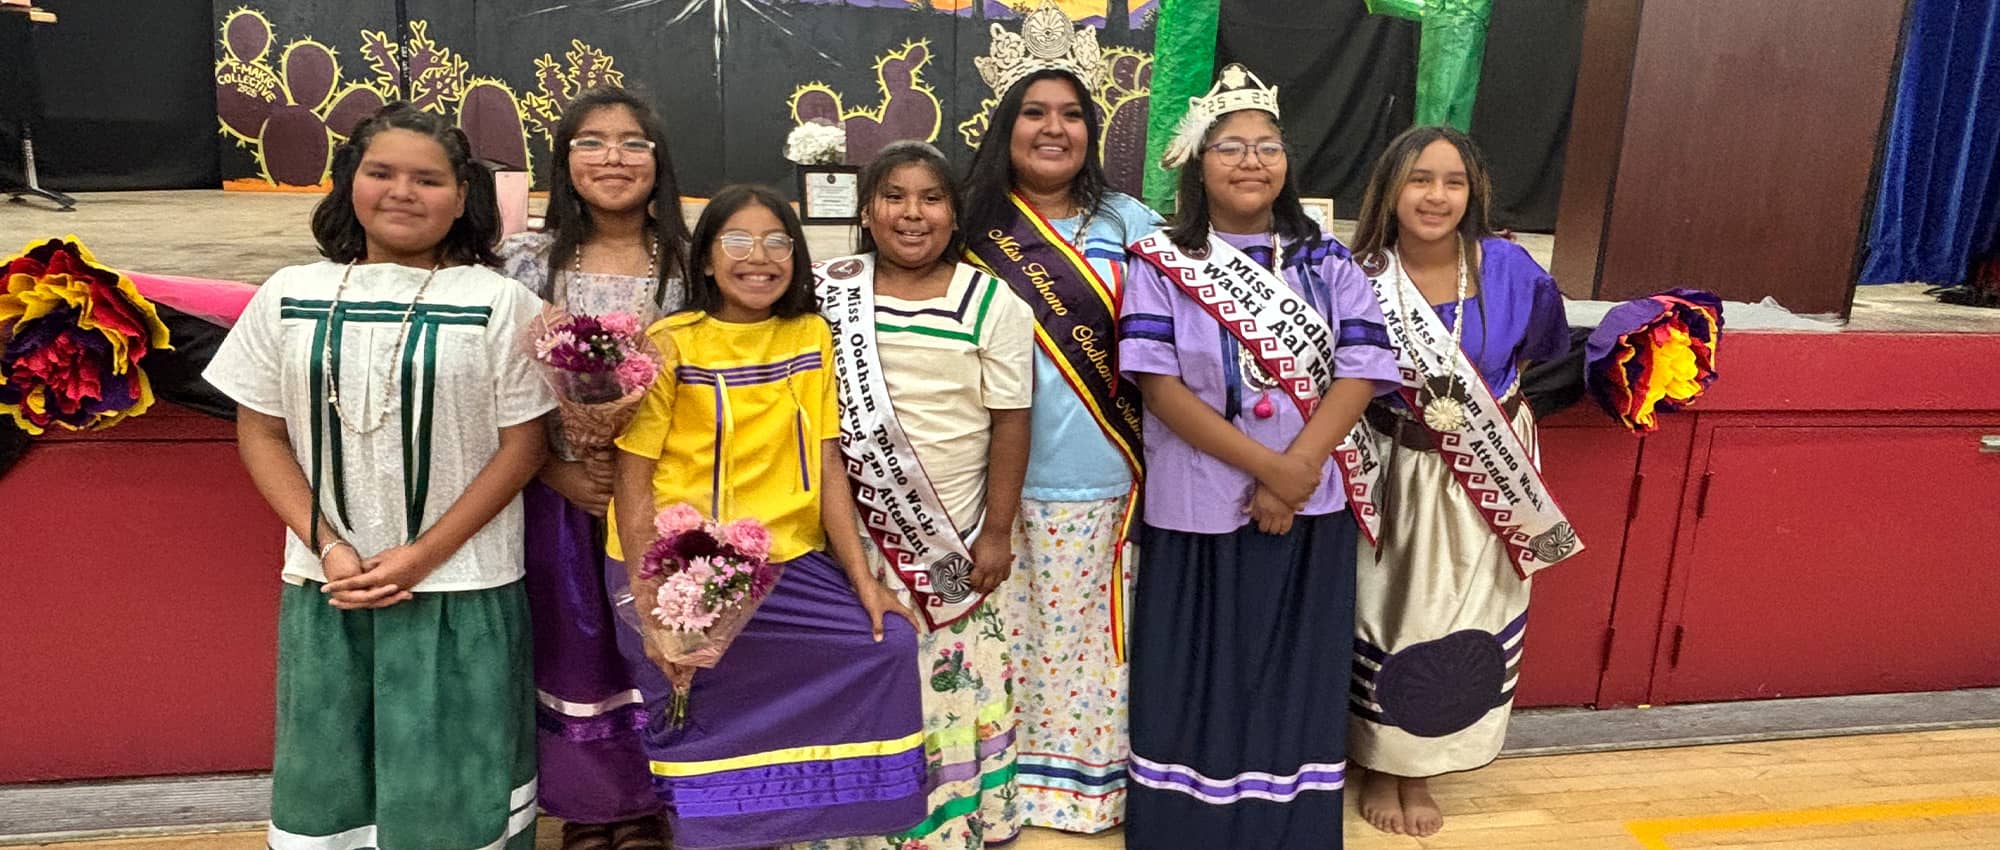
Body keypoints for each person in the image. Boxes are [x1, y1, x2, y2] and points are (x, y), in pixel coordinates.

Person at [203, 102, 551, 850]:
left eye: (428, 179)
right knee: (332, 795)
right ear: (347, 184)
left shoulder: (501, 303)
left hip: (464, 592)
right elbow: (260, 431)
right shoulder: (288, 293)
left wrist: (424, 556)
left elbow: (524, 447)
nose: (403, 192)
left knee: (455, 805)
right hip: (328, 589)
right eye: (382, 172)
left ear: (463, 198)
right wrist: (327, 544)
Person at [1116, 65, 1400, 850]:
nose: (1251, 160)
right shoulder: (1158, 262)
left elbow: (1363, 370)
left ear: (1287, 163)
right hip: (1198, 500)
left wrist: (1297, 469)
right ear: (1197, 165)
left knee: (1291, 667)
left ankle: (1286, 824)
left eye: (1267, 146)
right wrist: (1268, 468)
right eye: (1231, 146)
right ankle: (1185, 825)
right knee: (1198, 667)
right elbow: (1159, 385)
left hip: (1309, 503)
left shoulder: (1327, 263)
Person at [608, 184, 927, 850]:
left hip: (785, 560)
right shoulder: (670, 343)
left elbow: (828, 463)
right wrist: (649, 600)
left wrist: (864, 581)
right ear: (705, 260)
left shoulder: (810, 334)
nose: (761, 258)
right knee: (690, 701)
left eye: (778, 242)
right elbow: (634, 481)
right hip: (677, 566)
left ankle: (793, 827)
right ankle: (709, 833)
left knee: (887, 647)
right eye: (738, 243)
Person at [796, 140, 1036, 850]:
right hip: (841, 526)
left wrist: (994, 532)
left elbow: (1010, 422)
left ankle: (949, 821)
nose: (912, 213)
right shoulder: (824, 288)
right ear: (867, 211)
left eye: (931, 198)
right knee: (856, 676)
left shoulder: (991, 300)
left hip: (953, 534)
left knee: (946, 685)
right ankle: (849, 826)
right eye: (894, 196)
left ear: (955, 213)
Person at [960, 5, 1161, 831]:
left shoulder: (1133, 223)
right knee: (996, 646)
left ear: (1093, 129)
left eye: (1071, 113)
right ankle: (993, 790)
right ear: (1006, 127)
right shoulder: (968, 225)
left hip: (1103, 473)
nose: (1054, 128)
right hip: (984, 485)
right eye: (1035, 112)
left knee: (1084, 651)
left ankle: (1081, 792)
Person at [1345, 125, 1577, 838]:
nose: (1436, 195)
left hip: (1490, 470)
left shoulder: (1509, 267)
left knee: (1471, 613)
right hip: (1397, 468)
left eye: (1452, 181)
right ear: (1390, 187)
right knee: (1391, 612)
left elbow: (1540, 351)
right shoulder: (1352, 271)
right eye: (1419, 179)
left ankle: (1428, 766)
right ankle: (1382, 763)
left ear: (1473, 191)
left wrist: (1487, 430)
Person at [495, 85, 690, 850]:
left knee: (659, 646)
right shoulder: (525, 264)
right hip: (563, 494)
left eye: (633, 142)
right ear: (564, 160)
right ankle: (591, 806)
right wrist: (556, 470)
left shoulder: (691, 259)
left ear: (659, 160)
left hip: (668, 498)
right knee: (577, 651)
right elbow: (500, 393)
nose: (614, 157)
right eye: (592, 142)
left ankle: (656, 802)